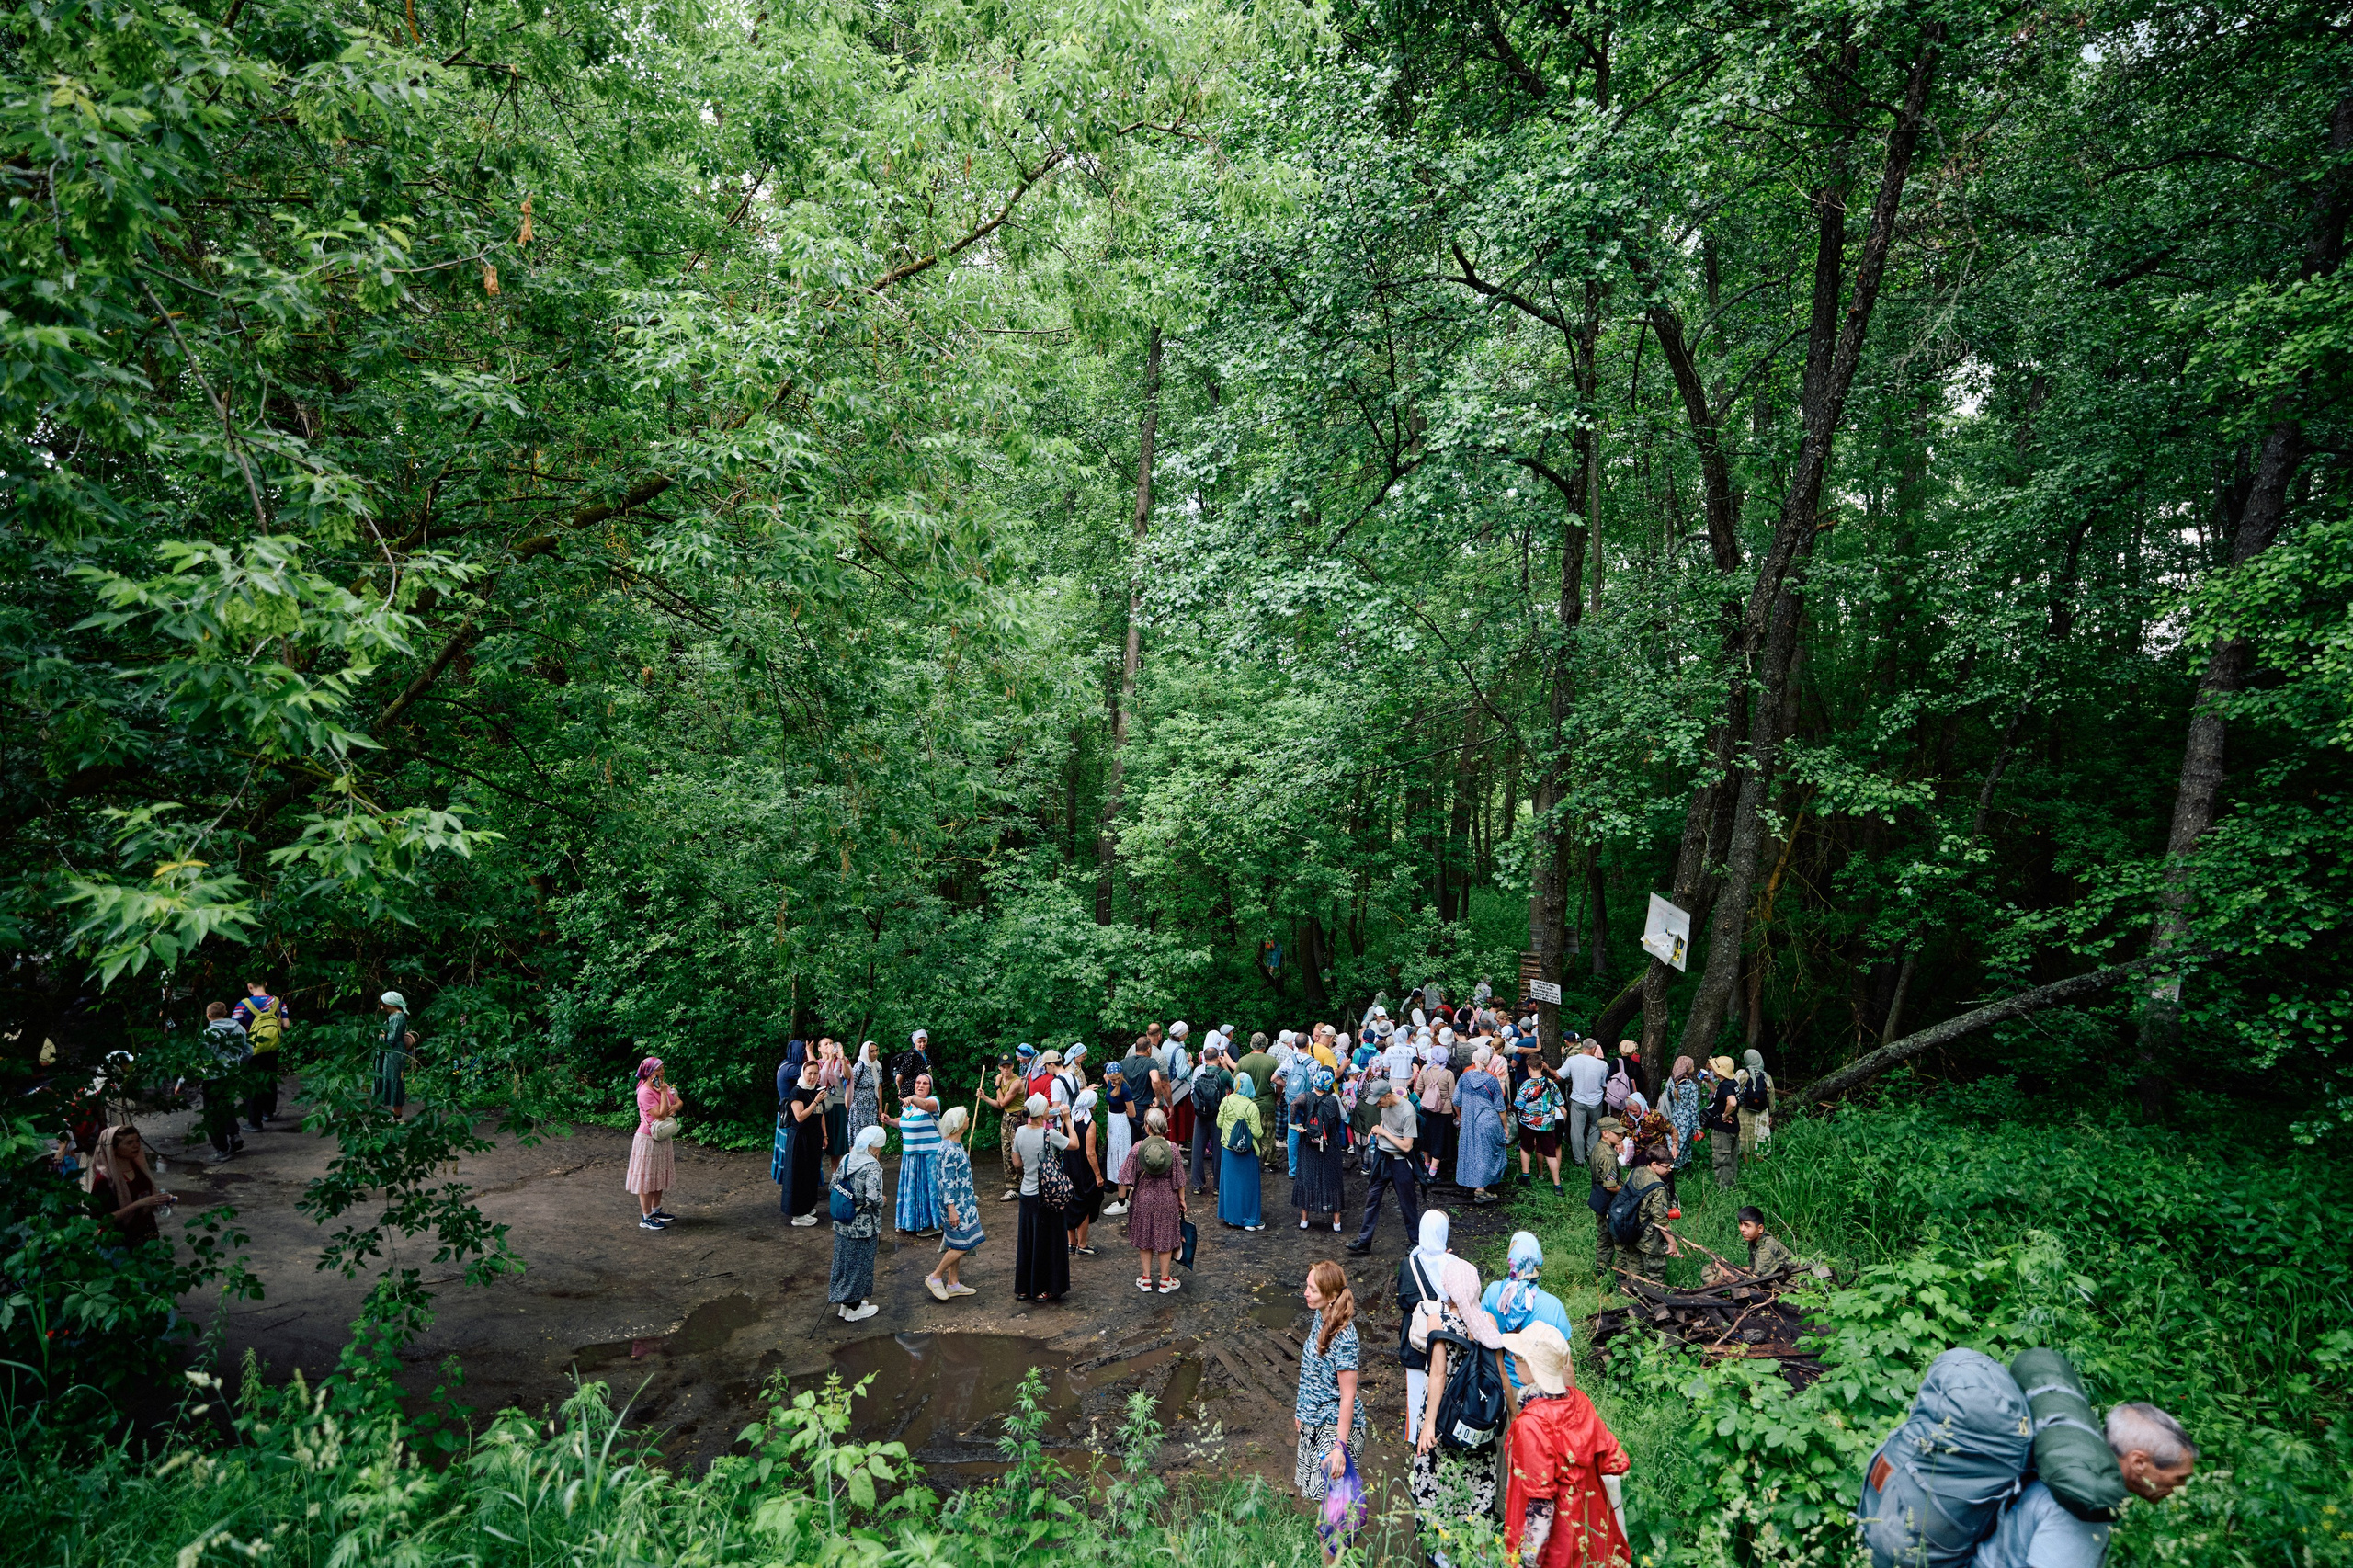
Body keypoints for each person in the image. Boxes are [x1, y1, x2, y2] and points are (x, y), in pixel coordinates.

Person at [1972, 1405, 2197, 1568]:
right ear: (2139, 1462)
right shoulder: (2086, 1506)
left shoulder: (2071, 1468)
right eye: (2179, 1478)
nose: (2183, 1488)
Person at [1498, 1321, 1632, 1568]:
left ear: (1530, 1367)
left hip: (1556, 1547)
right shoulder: (1580, 1402)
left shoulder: (1530, 1425)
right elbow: (1616, 1461)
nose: (1514, 1362)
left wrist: (1526, 1561)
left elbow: (1541, 1507)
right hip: (1590, 1535)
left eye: (1517, 1357)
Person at [1411, 1220, 1506, 1559]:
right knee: (1476, 1483)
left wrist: (1426, 1425)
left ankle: (1442, 1553)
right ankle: (1477, 1552)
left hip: (1446, 1417)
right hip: (1478, 1419)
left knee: (1439, 1482)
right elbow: (1499, 1375)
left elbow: (1438, 1375)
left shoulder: (1440, 1321)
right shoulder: (1489, 1323)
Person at [1293, 1258, 1369, 1538]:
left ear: (1331, 1296)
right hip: (1314, 1422)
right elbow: (1311, 1370)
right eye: (1307, 1286)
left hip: (1334, 1430)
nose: (1305, 1292)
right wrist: (1302, 1409)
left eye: (1312, 1288)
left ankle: (1337, 1559)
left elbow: (1348, 1397)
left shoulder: (1344, 1336)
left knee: (1337, 1517)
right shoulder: (1321, 1316)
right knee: (1325, 1505)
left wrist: (1340, 1446)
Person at [1483, 1232, 1574, 1395]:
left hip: (1497, 1385)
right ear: (1539, 1263)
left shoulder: (1493, 1293)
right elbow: (1566, 1366)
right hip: (1540, 1390)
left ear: (1511, 1261)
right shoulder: (1552, 1306)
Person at [1344, 1070, 1418, 1256]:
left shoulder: (1408, 1111)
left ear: (1388, 1095)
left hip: (1400, 1161)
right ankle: (1364, 1241)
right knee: (1372, 1198)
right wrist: (1377, 1130)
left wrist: (1385, 1133)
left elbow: (1407, 1146)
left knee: (1407, 1202)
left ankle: (1416, 1242)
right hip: (1382, 1157)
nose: (1377, 1105)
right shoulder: (1384, 1106)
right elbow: (1386, 1124)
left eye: (1379, 1101)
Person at [1120, 1106, 1188, 1293]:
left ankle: (1146, 1279)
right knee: (1165, 1238)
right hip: (1167, 1199)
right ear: (1164, 1126)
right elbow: (1180, 1179)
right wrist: (1181, 1200)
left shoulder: (1137, 1149)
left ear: (1147, 1127)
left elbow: (1125, 1178)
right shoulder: (1173, 1149)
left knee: (1145, 1238)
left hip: (1143, 1199)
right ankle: (1165, 1281)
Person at [1011, 1094, 1071, 1301]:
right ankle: (1041, 1288)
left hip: (1026, 1194)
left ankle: (1024, 1288)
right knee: (1047, 1241)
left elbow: (1017, 1163)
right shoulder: (1050, 1134)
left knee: (1027, 1240)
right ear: (1041, 1112)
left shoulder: (1019, 1132)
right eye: (1046, 1108)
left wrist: (1028, 1171)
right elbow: (1074, 1145)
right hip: (1046, 1195)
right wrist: (1068, 1121)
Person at [829, 1126, 887, 1321]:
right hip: (862, 1226)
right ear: (875, 1146)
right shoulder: (872, 1166)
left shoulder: (847, 1158)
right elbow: (873, 1197)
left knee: (845, 1262)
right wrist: (882, 1201)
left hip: (842, 1221)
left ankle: (846, 1304)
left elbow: (832, 1185)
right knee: (860, 1264)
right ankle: (854, 1309)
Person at [84, 1124, 173, 1248]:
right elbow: (101, 1220)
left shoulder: (140, 1169)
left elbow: (147, 1198)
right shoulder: (105, 1179)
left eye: (137, 1141)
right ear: (113, 1148)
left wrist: (162, 1201)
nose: (136, 1145)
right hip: (119, 1241)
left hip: (147, 1235)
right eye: (129, 1143)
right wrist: (139, 1204)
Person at [927, 1106, 984, 1299]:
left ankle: (953, 1283)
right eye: (966, 1116)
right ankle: (935, 1276)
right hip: (956, 1205)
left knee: (955, 1242)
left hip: (964, 1201)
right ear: (959, 1123)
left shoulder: (953, 1144)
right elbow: (947, 1181)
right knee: (964, 1243)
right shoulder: (950, 1150)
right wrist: (951, 1208)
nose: (969, 1118)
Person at [884, 1071, 945, 1234]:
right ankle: (909, 1223)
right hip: (910, 1155)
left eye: (925, 1083)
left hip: (929, 1155)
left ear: (930, 1088)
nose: (920, 1085)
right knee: (911, 1190)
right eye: (918, 1082)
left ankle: (932, 1225)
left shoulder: (933, 1101)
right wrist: (890, 1121)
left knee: (929, 1190)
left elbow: (925, 1106)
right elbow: (904, 1122)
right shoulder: (909, 1106)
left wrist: (912, 1099)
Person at [627, 1058, 682, 1231]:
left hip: (662, 1137)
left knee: (658, 1174)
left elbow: (678, 1101)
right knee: (646, 1177)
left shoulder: (661, 1086)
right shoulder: (645, 1092)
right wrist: (664, 1094)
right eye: (658, 1069)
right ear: (649, 1073)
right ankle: (646, 1216)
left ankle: (656, 1210)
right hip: (648, 1138)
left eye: (663, 1068)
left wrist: (675, 1107)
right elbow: (659, 1115)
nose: (662, 1072)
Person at [1291, 1064, 1348, 1233]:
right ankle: (1336, 1223)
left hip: (1308, 1142)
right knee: (1332, 1179)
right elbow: (1340, 1120)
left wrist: (1297, 1124)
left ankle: (1304, 1219)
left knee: (1307, 1177)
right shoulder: (1333, 1100)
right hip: (1329, 1145)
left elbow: (1294, 1104)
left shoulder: (1306, 1097)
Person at [1613, 1143, 1677, 1286]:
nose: (1669, 1170)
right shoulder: (1658, 1188)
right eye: (1667, 1167)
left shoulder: (1636, 1171)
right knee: (1655, 1272)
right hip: (1649, 1237)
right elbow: (1661, 1221)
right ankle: (1655, 1302)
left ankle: (1633, 1296)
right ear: (1654, 1164)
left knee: (1634, 1268)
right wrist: (1672, 1243)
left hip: (1630, 1228)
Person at [231, 979, 290, 1131]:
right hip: (272, 1047)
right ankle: (268, 1113)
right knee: (270, 1078)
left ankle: (254, 1122)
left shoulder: (242, 1005)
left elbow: (235, 1029)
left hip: (251, 1050)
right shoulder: (278, 1002)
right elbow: (286, 1025)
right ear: (266, 983)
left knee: (251, 1084)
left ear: (249, 986)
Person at [197, 1002, 249, 1164]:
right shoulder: (238, 1029)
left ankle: (222, 1149)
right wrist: (239, 1065)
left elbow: (200, 1059)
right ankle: (234, 1135)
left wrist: (183, 1080)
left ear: (208, 1016)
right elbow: (248, 1051)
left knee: (213, 1115)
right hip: (231, 1074)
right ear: (225, 1012)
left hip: (212, 1077)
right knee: (226, 1105)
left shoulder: (207, 1035)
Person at [1456, 1046, 1508, 1205]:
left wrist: (1460, 1116)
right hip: (1487, 1120)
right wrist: (1505, 1127)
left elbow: (1456, 1100)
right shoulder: (1491, 1080)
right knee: (1487, 1153)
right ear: (1488, 1061)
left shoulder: (1464, 1078)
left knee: (1471, 1151)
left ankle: (1473, 1183)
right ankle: (1481, 1189)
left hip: (1469, 1121)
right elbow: (1500, 1107)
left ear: (1473, 1059)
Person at [779, 1056, 828, 1226]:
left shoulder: (816, 1089)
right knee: (799, 1174)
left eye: (816, 1073)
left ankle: (807, 1206)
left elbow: (821, 1114)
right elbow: (799, 1117)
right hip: (800, 1137)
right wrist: (815, 1101)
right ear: (803, 1073)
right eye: (810, 1073)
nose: (813, 1077)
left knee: (811, 1173)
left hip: (814, 1136)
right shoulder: (797, 1091)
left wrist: (825, 1135)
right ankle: (797, 1214)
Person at [1217, 1071, 1267, 1230]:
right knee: (1248, 1186)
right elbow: (1258, 1133)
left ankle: (1232, 1218)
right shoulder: (1252, 1106)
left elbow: (1219, 1123)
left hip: (1228, 1148)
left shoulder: (1226, 1100)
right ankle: (1250, 1220)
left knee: (1230, 1184)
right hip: (1247, 1151)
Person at [1703, 1207, 1799, 1283]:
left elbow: (1753, 1280)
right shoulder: (1756, 1240)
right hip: (1778, 1279)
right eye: (1740, 1224)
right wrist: (1728, 1267)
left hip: (1794, 1284)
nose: (1742, 1229)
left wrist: (1725, 1271)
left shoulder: (1766, 1249)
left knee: (1719, 1272)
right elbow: (1754, 1269)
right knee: (1713, 1268)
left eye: (1747, 1225)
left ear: (1760, 1228)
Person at [1064, 1086, 1106, 1255]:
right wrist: (1098, 1175)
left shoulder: (1069, 1120)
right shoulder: (1090, 1124)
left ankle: (1071, 1242)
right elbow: (1090, 1152)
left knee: (1070, 1203)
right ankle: (1082, 1245)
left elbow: (1063, 1140)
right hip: (1083, 1170)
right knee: (1084, 1204)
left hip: (1068, 1166)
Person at [1188, 1035, 1232, 1194]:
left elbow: (1192, 1091)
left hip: (1200, 1115)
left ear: (1204, 1058)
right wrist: (1226, 1066)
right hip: (1217, 1115)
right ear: (1217, 1058)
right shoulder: (1223, 1074)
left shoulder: (1198, 1072)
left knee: (1197, 1149)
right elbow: (1236, 1086)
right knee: (1218, 1150)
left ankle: (1197, 1185)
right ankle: (1217, 1186)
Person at [1516, 1063, 1568, 1194]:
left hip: (1528, 1122)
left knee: (1526, 1148)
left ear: (1529, 1067)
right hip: (1547, 1123)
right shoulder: (1551, 1083)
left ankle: (1526, 1177)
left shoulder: (1526, 1084)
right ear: (1541, 1067)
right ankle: (1557, 1186)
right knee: (1550, 1153)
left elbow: (1518, 1104)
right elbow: (1560, 1102)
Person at [1560, 1039, 1608, 1165]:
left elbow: (1560, 1075)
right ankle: (1591, 1153)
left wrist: (1548, 1068)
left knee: (1577, 1130)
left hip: (1578, 1099)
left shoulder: (1572, 1060)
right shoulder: (1602, 1064)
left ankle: (1579, 1159)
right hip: (1596, 1101)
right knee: (1594, 1127)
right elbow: (1604, 1084)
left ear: (1582, 1047)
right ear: (1593, 1049)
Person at [1587, 1117, 1625, 1279]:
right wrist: (1626, 1192)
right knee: (1617, 1239)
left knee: (1603, 1236)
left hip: (1599, 1199)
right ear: (1605, 1133)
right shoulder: (1609, 1155)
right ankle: (1620, 1277)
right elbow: (1610, 1185)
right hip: (1610, 1201)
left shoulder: (1597, 1148)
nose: (1621, 1136)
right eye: (1617, 1134)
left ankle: (1601, 1272)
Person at [990, 1051, 1029, 1201]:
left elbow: (1003, 1102)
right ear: (999, 1067)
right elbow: (999, 1106)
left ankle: (1025, 1182)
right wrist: (985, 1097)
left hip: (1017, 1119)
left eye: (1008, 1066)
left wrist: (996, 1086)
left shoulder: (1016, 1082)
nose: (1006, 1069)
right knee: (1006, 1151)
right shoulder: (1002, 1080)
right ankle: (1013, 1187)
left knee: (1016, 1153)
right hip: (1006, 1117)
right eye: (1003, 1066)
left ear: (1013, 1066)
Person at [1416, 1042, 1456, 1187]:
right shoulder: (1448, 1074)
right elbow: (1453, 1096)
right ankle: (1433, 1171)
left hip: (1427, 1108)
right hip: (1444, 1111)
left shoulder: (1424, 1069)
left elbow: (1418, 1089)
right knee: (1440, 1139)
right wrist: (1456, 1113)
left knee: (1427, 1136)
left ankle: (1426, 1165)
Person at [375, 991, 415, 1118]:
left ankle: (397, 1115)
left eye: (384, 1005)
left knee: (395, 1080)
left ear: (390, 1004)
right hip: (390, 1053)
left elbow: (392, 1039)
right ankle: (393, 1114)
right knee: (390, 1078)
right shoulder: (393, 1016)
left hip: (395, 1054)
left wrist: (382, 1035)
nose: (382, 1008)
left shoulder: (398, 1017)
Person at [1703, 1055, 1741, 1188]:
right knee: (1731, 1159)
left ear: (1719, 1071)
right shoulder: (1731, 1083)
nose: (1712, 1068)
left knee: (1722, 1160)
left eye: (1714, 1066)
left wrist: (1725, 1115)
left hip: (1723, 1130)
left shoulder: (1725, 1086)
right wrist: (1709, 1082)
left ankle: (1724, 1190)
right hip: (1733, 1128)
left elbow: (1732, 1102)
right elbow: (1720, 1096)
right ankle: (1732, 1185)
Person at [1735, 1048, 1775, 1161]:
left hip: (1743, 1112)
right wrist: (1771, 1114)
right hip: (1761, 1113)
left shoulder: (1741, 1073)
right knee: (1760, 1138)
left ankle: (1748, 1167)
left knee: (1745, 1139)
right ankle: (1759, 1167)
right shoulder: (1767, 1077)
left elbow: (1733, 1090)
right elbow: (1771, 1098)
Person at [817, 1040, 849, 1176]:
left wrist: (841, 1058)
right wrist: (829, 1060)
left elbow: (848, 1076)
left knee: (836, 1145)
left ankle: (835, 1177)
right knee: (820, 1142)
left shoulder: (842, 1060)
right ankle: (816, 1177)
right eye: (826, 1044)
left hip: (838, 1104)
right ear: (819, 1049)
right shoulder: (817, 1063)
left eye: (832, 1043)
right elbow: (820, 1080)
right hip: (821, 1104)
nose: (830, 1046)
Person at [849, 1040, 884, 1146]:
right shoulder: (860, 1066)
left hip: (871, 1106)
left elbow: (879, 1087)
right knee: (858, 1136)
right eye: (872, 1051)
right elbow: (851, 1085)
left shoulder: (877, 1067)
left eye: (876, 1050)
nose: (875, 1054)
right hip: (858, 1107)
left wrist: (880, 1107)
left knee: (871, 1136)